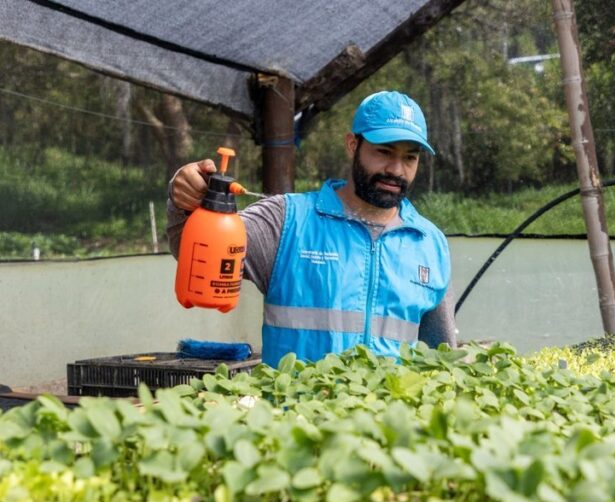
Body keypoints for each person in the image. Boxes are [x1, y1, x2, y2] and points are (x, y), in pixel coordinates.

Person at [166, 90, 457, 368]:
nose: (396, 169)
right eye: (384, 151)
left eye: (410, 157)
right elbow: (193, 252)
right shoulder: (286, 220)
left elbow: (441, 356)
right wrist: (182, 201)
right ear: (352, 145)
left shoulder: (429, 243)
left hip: (389, 405)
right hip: (296, 404)